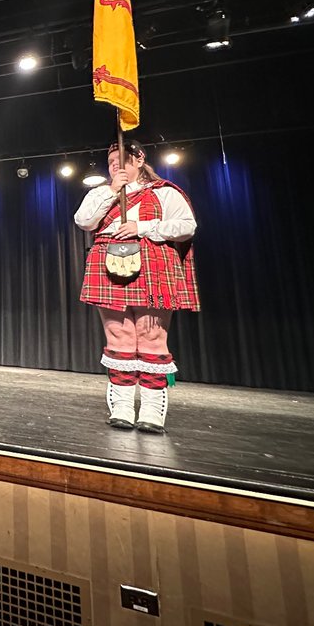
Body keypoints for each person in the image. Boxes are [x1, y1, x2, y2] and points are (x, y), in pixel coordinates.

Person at [74, 140, 199, 433]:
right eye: (111, 162)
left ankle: (153, 409)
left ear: (140, 158)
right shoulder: (100, 193)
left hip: (152, 262)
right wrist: (110, 190)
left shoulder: (165, 192)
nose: (115, 165)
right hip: (109, 262)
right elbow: (84, 221)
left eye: (122, 160)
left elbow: (186, 226)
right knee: (119, 335)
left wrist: (142, 227)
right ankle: (122, 406)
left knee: (151, 334)